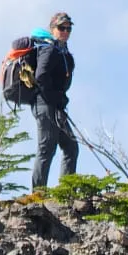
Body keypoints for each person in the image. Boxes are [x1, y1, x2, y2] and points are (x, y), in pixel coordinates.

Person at [31, 12, 78, 190]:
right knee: (46, 149)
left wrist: (59, 101)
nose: (65, 31)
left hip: (56, 106)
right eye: (61, 28)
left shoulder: (63, 52)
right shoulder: (49, 49)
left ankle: (66, 191)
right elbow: (40, 76)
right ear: (53, 29)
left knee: (71, 146)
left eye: (68, 28)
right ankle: (38, 193)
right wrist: (53, 99)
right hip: (45, 104)